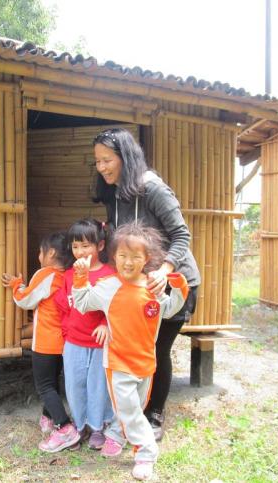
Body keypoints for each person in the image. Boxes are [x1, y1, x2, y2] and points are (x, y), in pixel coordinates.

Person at [92, 128, 201, 440]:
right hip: (136, 284)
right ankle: (133, 413)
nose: (102, 167)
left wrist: (165, 270)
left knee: (156, 348)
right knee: (138, 347)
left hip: (171, 282)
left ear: (125, 158)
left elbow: (181, 234)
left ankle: (154, 414)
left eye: (107, 160)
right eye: (97, 161)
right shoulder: (113, 192)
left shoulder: (153, 189)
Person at [72, 222, 189, 481]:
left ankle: (116, 435)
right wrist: (80, 277)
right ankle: (146, 451)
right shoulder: (108, 286)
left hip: (146, 363)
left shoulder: (153, 286)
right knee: (129, 411)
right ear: (113, 256)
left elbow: (170, 309)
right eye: (122, 255)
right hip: (118, 363)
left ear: (146, 259)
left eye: (135, 256)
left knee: (134, 409)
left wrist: (178, 284)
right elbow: (82, 303)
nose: (128, 262)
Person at [2, 232, 80, 453]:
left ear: (51, 253)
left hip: (46, 342)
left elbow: (25, 299)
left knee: (44, 386)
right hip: (64, 342)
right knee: (53, 382)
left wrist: (16, 284)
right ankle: (49, 417)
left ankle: (64, 428)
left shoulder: (46, 274)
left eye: (40, 251)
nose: (38, 256)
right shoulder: (69, 276)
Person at [54, 218, 115, 450]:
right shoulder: (69, 276)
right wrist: (66, 333)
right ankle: (80, 425)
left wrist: (105, 323)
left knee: (98, 386)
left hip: (100, 343)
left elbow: (117, 307)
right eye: (75, 246)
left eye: (86, 246)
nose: (80, 252)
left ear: (100, 245)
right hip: (74, 342)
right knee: (74, 384)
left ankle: (97, 426)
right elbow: (64, 308)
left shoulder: (109, 275)